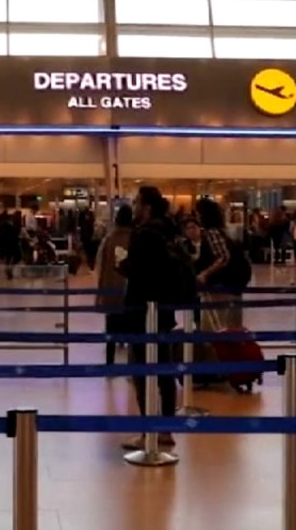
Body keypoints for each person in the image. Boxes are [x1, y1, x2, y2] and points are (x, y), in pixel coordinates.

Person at [117, 186, 181, 450]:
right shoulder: (169, 230)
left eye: (137, 202)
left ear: (147, 207)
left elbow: (138, 270)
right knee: (165, 369)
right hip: (164, 309)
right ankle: (166, 429)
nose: (134, 207)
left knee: (141, 372)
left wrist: (122, 264)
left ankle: (147, 432)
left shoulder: (144, 234)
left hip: (142, 310)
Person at [194, 198, 243, 330]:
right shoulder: (222, 232)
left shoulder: (212, 232)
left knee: (216, 326)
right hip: (231, 285)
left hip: (220, 285)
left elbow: (223, 257)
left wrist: (205, 274)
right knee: (230, 326)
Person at [94, 205, 134, 366]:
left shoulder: (109, 239)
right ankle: (132, 364)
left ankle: (109, 362)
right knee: (132, 328)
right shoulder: (136, 237)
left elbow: (101, 266)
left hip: (111, 289)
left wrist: (100, 291)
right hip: (130, 290)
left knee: (111, 327)